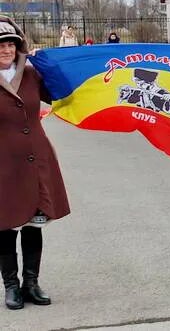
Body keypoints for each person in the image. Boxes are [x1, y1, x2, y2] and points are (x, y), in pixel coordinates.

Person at [0, 16, 71, 310]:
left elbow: (61, 93)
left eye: (10, 44)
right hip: (3, 164)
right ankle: (11, 287)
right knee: (5, 225)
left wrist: (49, 66)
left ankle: (31, 283)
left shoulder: (31, 73)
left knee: (33, 224)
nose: (6, 50)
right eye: (0, 45)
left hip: (36, 160)